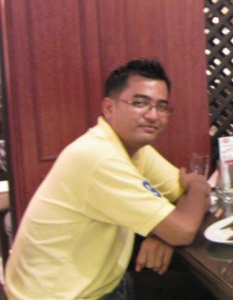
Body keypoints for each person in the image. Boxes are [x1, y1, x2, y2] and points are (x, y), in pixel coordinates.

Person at [5, 59, 212, 300]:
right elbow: (184, 228)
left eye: (162, 106)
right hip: (63, 297)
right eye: (140, 103)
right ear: (109, 108)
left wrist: (162, 233)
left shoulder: (135, 149)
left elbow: (185, 202)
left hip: (107, 284)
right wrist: (198, 184)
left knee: (198, 288)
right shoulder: (98, 157)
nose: (153, 115)